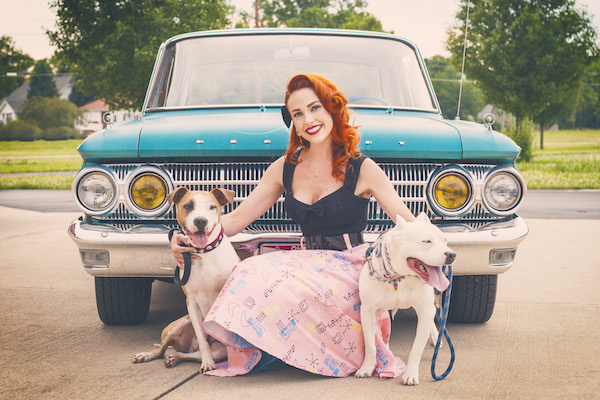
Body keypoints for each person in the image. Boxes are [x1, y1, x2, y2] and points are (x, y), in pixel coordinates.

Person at [170, 74, 415, 377]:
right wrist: (184, 238)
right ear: (293, 122)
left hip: (350, 264)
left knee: (289, 288)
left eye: (315, 108)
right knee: (246, 271)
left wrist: (425, 251)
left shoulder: (361, 167)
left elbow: (407, 224)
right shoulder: (284, 167)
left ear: (332, 110)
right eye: (297, 114)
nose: (308, 119)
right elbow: (232, 222)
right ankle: (264, 351)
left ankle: (292, 354)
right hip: (306, 262)